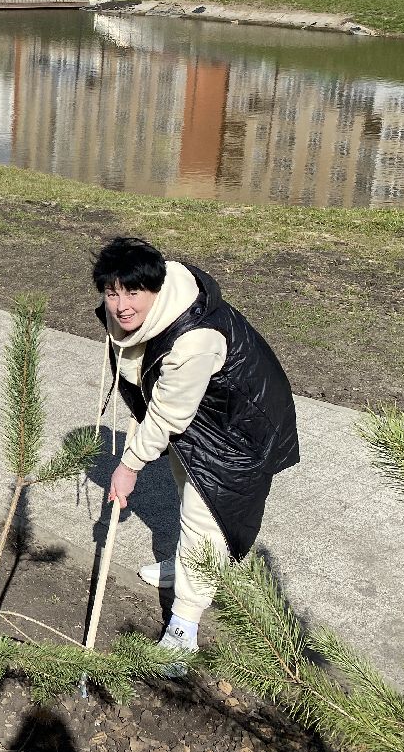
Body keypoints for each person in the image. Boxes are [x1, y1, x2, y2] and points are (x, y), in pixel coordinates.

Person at [94, 236, 299, 667]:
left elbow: (169, 415)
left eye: (134, 292)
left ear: (157, 288)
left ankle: (184, 628)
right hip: (203, 411)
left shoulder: (193, 338)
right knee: (183, 484)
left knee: (206, 516)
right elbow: (150, 380)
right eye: (113, 292)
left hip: (240, 428)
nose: (122, 305)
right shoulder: (149, 317)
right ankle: (185, 565)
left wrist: (129, 465)